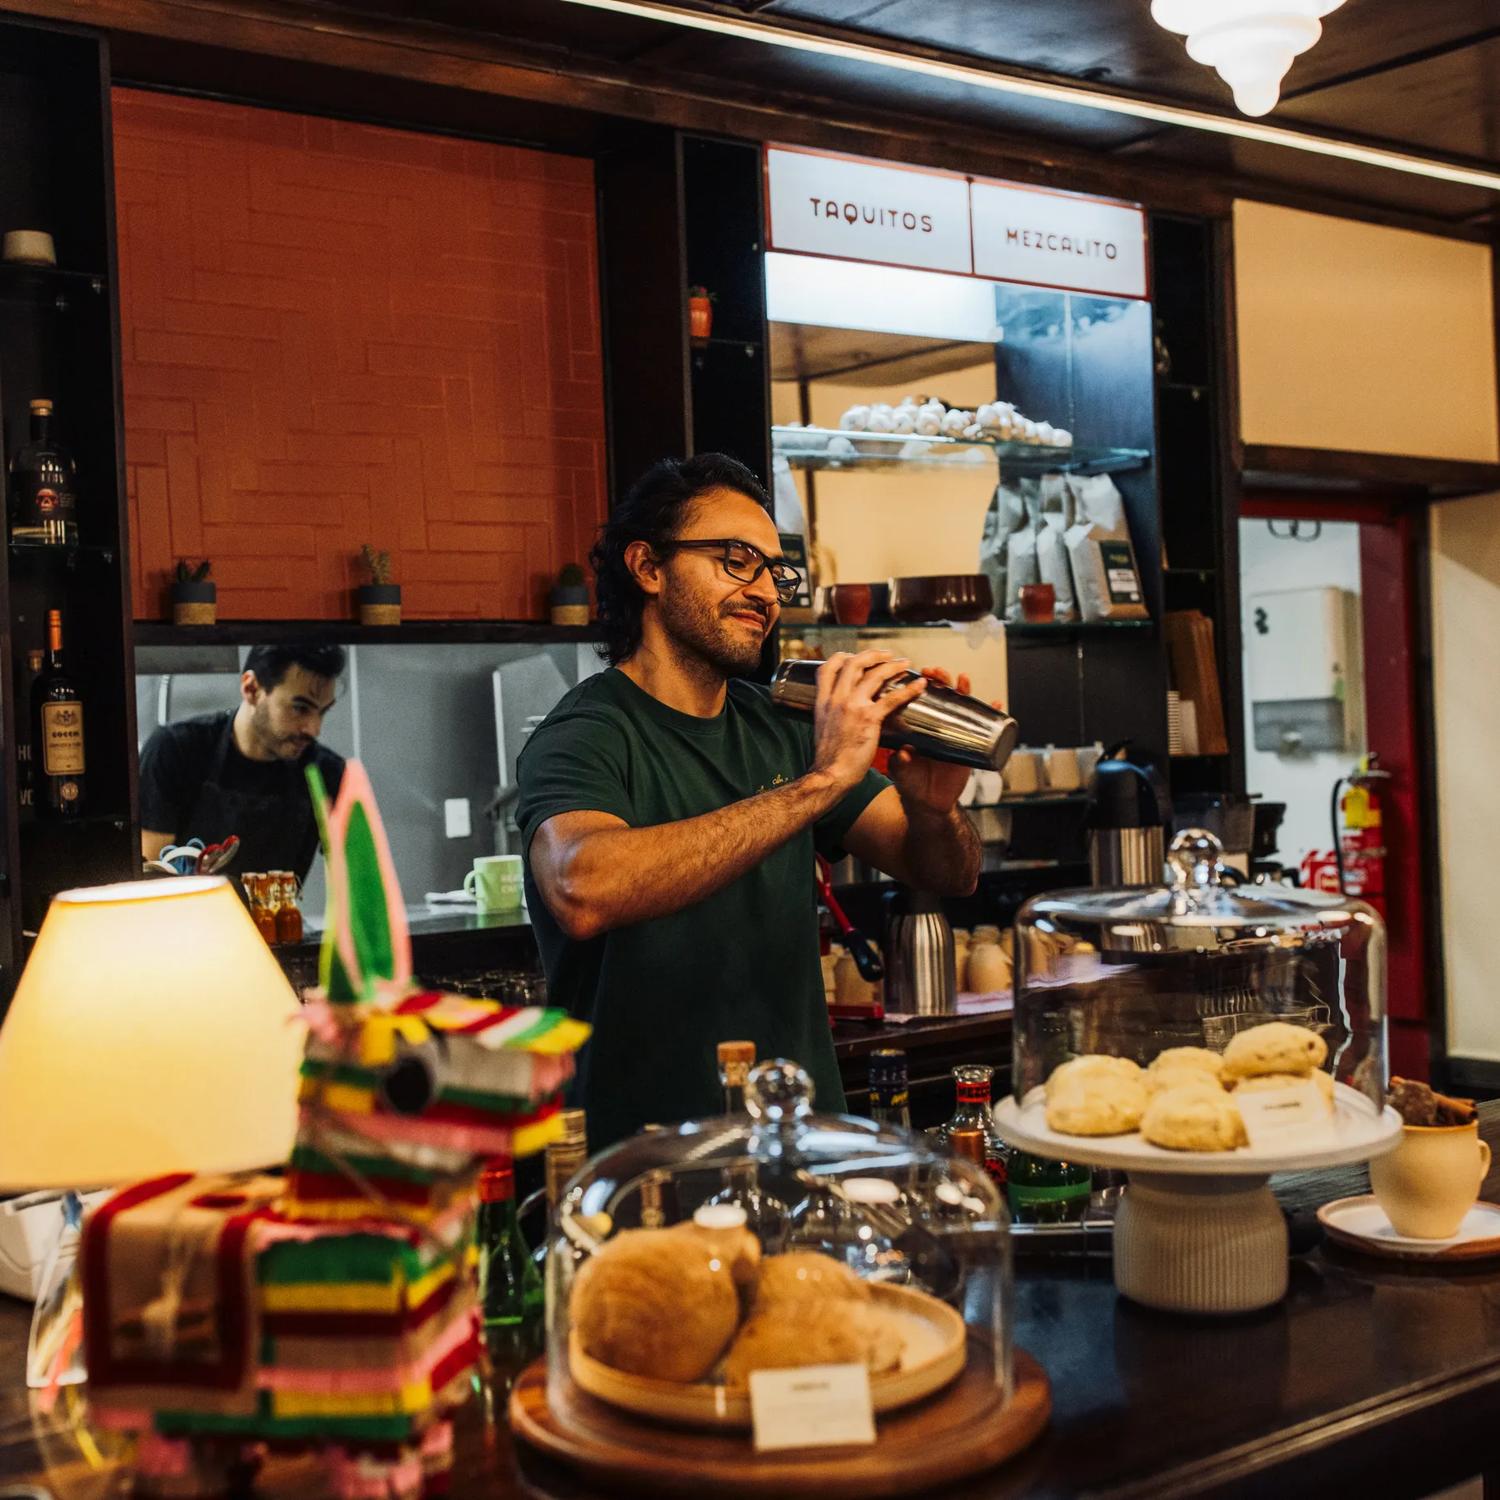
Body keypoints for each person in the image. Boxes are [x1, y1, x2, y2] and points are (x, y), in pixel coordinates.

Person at [517, 454, 981, 1148]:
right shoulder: (585, 735)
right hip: (644, 1166)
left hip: (799, 1147)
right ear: (647, 567)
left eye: (774, 570)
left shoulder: (781, 724)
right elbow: (584, 886)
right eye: (737, 561)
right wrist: (819, 784)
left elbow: (948, 873)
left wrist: (933, 809)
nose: (766, 592)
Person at [139, 642, 347, 883]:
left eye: (322, 712)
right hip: (184, 917)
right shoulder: (175, 750)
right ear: (251, 688)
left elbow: (354, 885)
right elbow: (148, 876)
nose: (314, 729)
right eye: (300, 708)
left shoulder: (326, 772)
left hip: (276, 918)